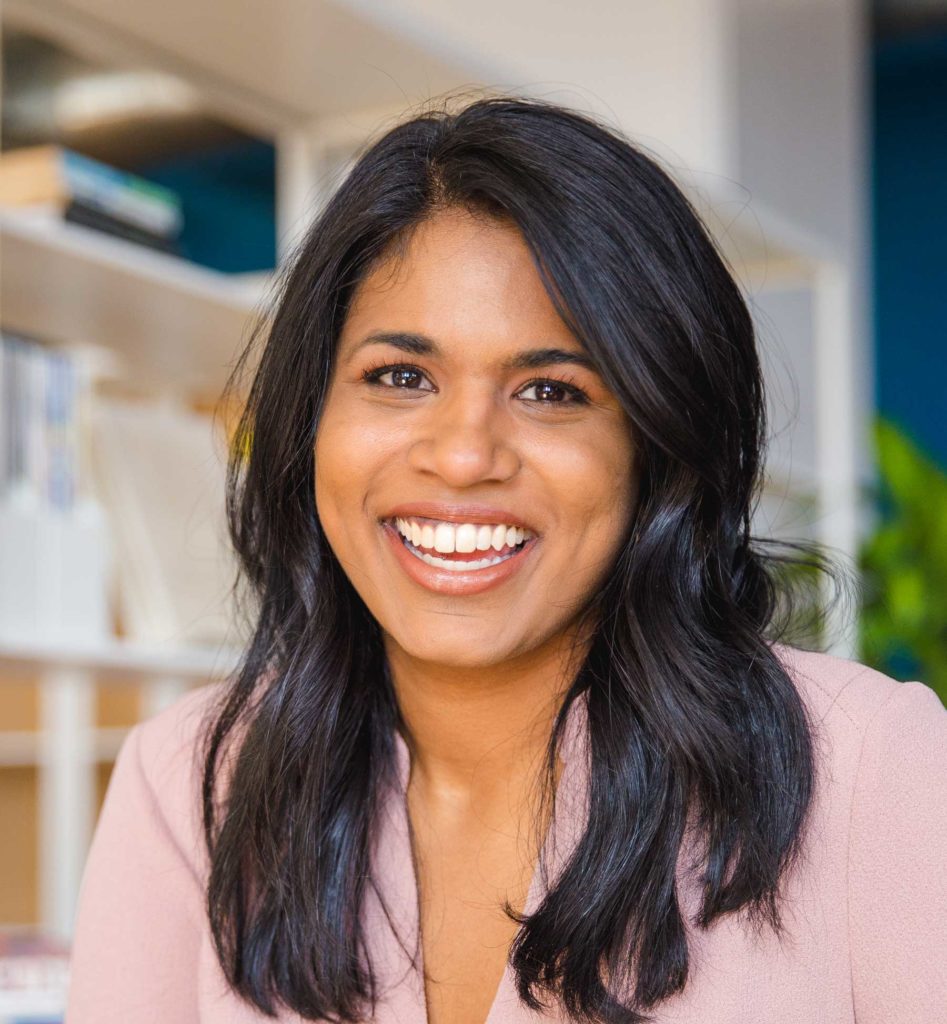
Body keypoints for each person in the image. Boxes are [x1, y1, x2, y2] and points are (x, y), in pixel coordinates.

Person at [65, 96, 947, 1024]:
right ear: (309, 420)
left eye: (550, 390)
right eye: (400, 377)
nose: (461, 455)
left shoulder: (870, 771)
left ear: (656, 446)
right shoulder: (189, 786)